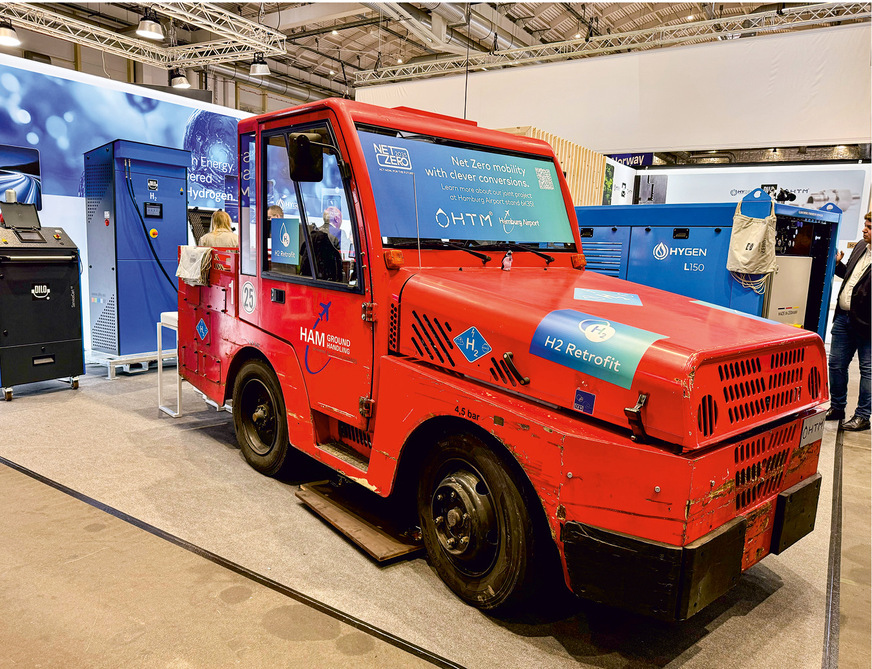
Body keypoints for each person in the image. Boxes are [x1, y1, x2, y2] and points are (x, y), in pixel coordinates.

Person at [827, 211, 871, 431]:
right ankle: (837, 407)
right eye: (865, 225)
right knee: (836, 365)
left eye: (869, 227)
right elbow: (851, 278)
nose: (864, 230)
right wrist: (838, 265)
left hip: (867, 325)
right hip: (844, 319)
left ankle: (863, 416)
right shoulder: (861, 246)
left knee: (867, 371)